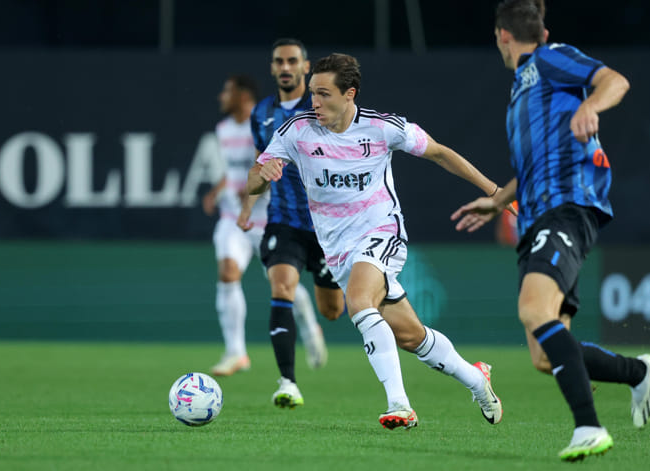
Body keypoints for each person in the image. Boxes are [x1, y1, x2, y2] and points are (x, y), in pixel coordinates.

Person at [451, 0, 650, 461]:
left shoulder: (548, 59)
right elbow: (534, 167)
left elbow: (615, 80)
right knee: (544, 355)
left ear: (502, 35)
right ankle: (636, 373)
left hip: (567, 208)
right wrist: (499, 201)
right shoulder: (522, 90)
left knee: (532, 309)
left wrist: (591, 103)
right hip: (536, 217)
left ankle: (589, 428)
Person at [249, 53, 504, 430]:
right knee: (411, 336)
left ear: (349, 93)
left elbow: (439, 153)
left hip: (381, 232)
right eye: (313, 94)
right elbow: (253, 178)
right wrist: (263, 171)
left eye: (324, 94)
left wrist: (496, 193)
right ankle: (475, 379)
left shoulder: (383, 128)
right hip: (337, 250)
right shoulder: (296, 131)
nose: (314, 102)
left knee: (358, 301)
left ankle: (400, 404)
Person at [238, 39, 345, 408]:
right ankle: (288, 382)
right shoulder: (262, 113)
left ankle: (313, 326)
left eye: (292, 61)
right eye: (279, 61)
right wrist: (247, 205)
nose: (285, 67)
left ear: (305, 67)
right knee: (281, 287)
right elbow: (258, 163)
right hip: (285, 222)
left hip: (329, 226)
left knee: (333, 311)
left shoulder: (319, 106)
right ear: (272, 68)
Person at [204, 74, 329, 377]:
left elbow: (274, 165)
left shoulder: (262, 126)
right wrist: (219, 190)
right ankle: (236, 352)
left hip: (268, 217)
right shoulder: (222, 130)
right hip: (233, 218)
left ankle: (309, 326)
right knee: (227, 272)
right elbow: (234, 170)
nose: (221, 96)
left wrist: (254, 187)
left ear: (244, 96)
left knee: (283, 285)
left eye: (227, 90)